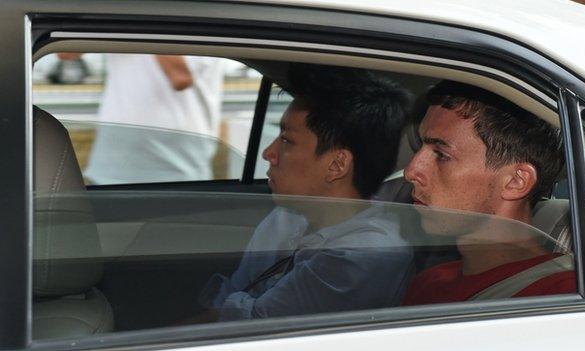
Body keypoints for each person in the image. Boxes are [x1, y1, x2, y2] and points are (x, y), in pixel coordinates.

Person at [200, 63, 414, 321]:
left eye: (287, 140)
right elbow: (229, 301)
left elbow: (256, 325)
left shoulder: (366, 255)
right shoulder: (287, 217)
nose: (268, 153)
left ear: (337, 165)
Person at [402, 80, 576, 305]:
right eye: (419, 148)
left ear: (516, 181)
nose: (410, 171)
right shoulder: (428, 282)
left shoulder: (562, 298)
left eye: (442, 155)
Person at [58, 53, 225, 184]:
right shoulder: (124, 12)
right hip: (113, 163)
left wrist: (144, 15)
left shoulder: (194, 16)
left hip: (178, 167)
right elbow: (65, 53)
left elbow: (180, 77)